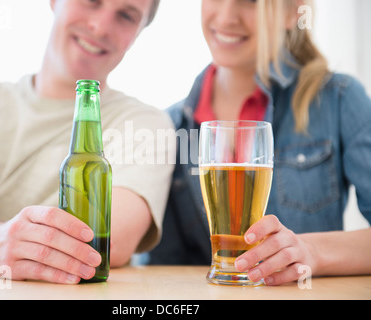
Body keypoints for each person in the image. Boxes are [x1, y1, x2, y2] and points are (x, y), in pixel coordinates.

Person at [0, 0, 175, 285]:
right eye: (92, 1)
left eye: (126, 16)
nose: (100, 26)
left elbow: (105, 245)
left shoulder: (147, 125)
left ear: (138, 33)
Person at [149, 0, 371, 286]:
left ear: (293, 12)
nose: (227, 17)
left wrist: (313, 251)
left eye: (250, 2)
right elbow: (159, 268)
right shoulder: (169, 126)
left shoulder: (339, 99)